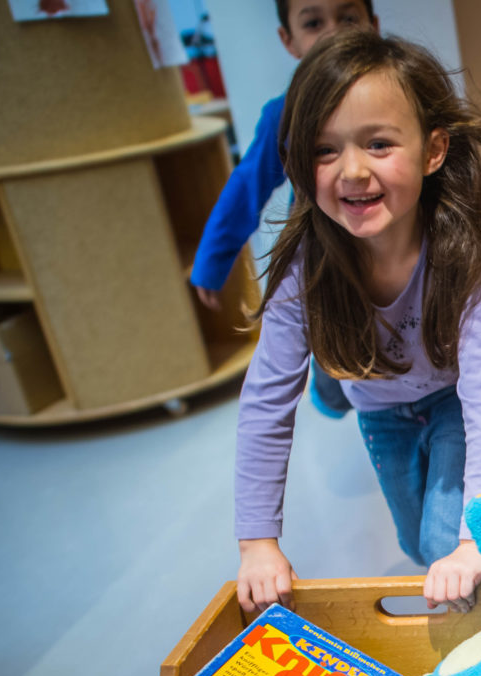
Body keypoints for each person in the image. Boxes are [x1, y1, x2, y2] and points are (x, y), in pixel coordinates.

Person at [234, 31, 481, 614]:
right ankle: (333, 376)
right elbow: (265, 403)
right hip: (378, 407)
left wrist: (474, 542)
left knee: (447, 542)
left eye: (379, 143)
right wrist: (257, 542)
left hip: (450, 401)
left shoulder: (463, 255)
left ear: (433, 150)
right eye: (325, 150)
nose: (353, 171)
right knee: (415, 542)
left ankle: (478, 658)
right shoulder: (304, 268)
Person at [191, 0, 379, 419]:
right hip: (327, 263)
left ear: (374, 25)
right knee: (337, 356)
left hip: (396, 254)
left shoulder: (400, 95)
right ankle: (331, 388)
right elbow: (246, 185)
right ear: (288, 40)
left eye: (348, 18)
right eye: (314, 23)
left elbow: (446, 158)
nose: (334, 32)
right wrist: (213, 257)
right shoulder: (286, 114)